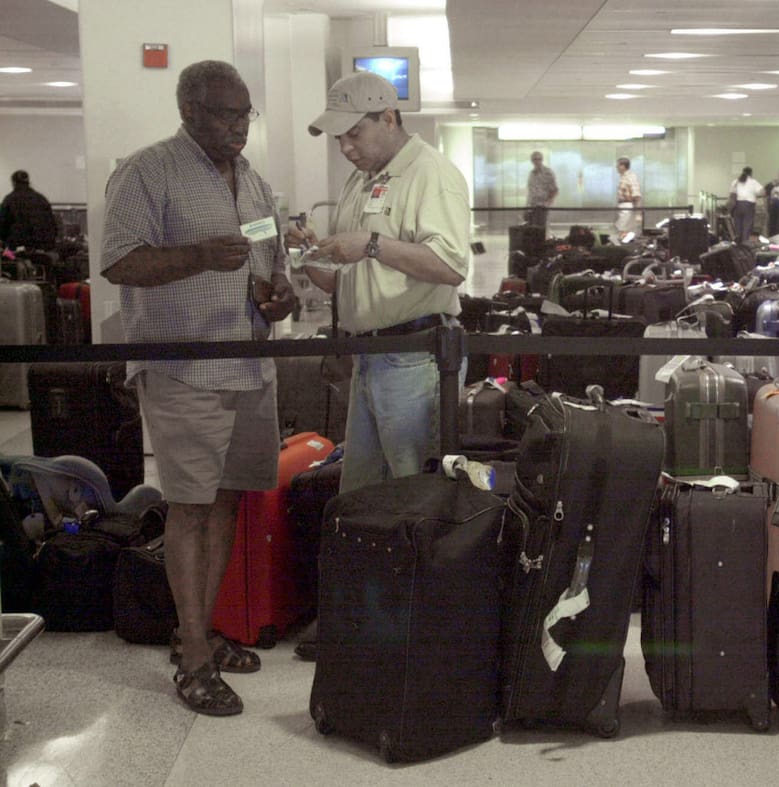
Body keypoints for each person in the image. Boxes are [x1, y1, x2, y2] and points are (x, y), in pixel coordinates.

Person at [101, 60, 297, 717]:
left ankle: (200, 631)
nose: (239, 126)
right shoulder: (148, 170)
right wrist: (198, 256)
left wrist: (280, 298)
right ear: (188, 110)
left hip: (249, 368)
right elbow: (120, 259)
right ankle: (191, 657)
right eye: (224, 114)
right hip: (185, 370)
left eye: (245, 114)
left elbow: (276, 270)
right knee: (190, 504)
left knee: (227, 502)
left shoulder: (256, 184)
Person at [285, 70, 470, 660]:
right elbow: (348, 280)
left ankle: (422, 625)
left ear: (388, 118)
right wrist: (308, 256)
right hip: (370, 358)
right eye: (338, 138)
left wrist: (367, 244)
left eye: (354, 133)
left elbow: (449, 264)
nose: (345, 147)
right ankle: (357, 618)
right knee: (360, 494)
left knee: (417, 494)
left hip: (415, 358)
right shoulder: (363, 182)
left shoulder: (430, 174)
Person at [0, 169, 58, 251]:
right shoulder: (41, 199)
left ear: (13, 183)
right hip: (43, 250)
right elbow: (53, 226)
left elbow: (2, 226)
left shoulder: (9, 200)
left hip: (17, 250)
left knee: (5, 254)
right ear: (28, 182)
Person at [729, 166, 764, 245]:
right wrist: (755, 194)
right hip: (749, 206)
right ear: (751, 173)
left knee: (738, 228)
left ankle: (738, 246)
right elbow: (763, 192)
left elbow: (731, 194)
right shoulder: (753, 182)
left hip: (737, 206)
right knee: (747, 228)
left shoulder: (736, 181)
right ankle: (745, 246)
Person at [525, 150, 558, 229]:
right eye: (534, 159)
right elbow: (530, 191)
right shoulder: (531, 174)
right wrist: (526, 207)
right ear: (532, 161)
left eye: (539, 159)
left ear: (542, 160)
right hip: (531, 206)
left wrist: (547, 203)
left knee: (540, 229)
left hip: (542, 206)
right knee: (532, 229)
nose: (537, 161)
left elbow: (554, 189)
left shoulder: (548, 172)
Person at [614, 156, 642, 237]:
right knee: (622, 230)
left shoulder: (630, 177)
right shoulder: (624, 177)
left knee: (624, 231)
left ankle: (626, 247)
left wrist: (638, 213)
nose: (616, 167)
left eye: (618, 165)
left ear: (623, 166)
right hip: (624, 206)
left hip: (628, 206)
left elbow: (636, 195)